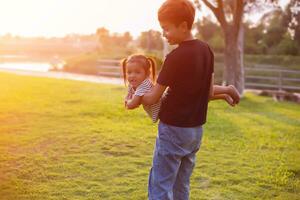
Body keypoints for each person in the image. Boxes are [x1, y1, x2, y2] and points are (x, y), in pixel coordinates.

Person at [138, 0, 240, 199]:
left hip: (173, 130)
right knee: (181, 185)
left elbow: (153, 97)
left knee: (161, 184)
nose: (163, 34)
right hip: (194, 133)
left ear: (183, 26)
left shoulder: (174, 58)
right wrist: (226, 90)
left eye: (166, 29)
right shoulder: (206, 50)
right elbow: (208, 92)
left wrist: (136, 93)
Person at [122, 54, 238, 123]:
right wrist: (129, 100)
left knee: (196, 94)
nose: (132, 76)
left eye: (137, 72)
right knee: (197, 98)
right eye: (129, 72)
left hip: (168, 105)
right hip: (165, 106)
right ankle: (223, 96)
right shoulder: (134, 85)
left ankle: (227, 89)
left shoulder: (144, 85)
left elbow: (132, 104)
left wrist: (129, 102)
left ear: (147, 73)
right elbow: (130, 99)